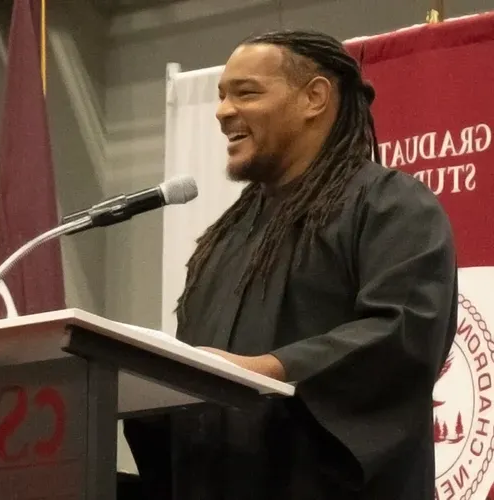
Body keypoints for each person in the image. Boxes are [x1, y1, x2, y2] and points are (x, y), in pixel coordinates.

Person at [124, 29, 458, 500]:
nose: (222, 112)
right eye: (221, 96)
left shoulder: (390, 205)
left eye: (246, 92)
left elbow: (404, 331)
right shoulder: (227, 238)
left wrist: (270, 369)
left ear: (314, 98)